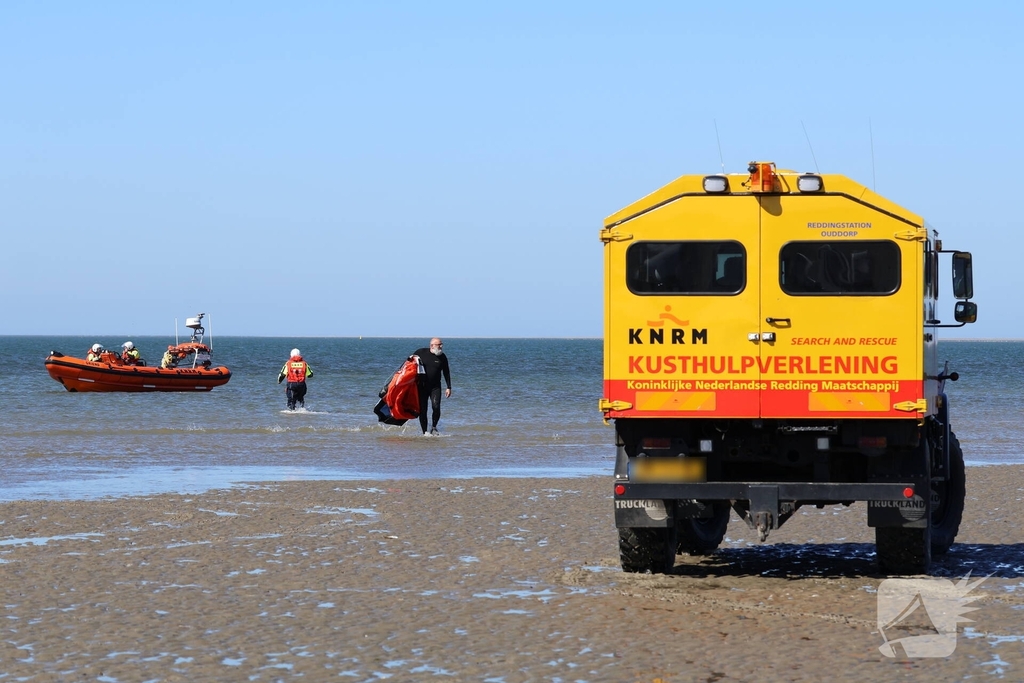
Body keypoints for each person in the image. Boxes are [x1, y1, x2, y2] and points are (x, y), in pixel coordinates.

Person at [411, 337, 451, 435]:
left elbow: (446, 372)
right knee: (423, 410)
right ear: (432, 346)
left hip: (435, 387)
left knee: (436, 406)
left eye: (441, 344)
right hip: (422, 387)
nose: (441, 346)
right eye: (439, 345)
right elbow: (409, 364)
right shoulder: (421, 352)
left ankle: (434, 427)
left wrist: (449, 387)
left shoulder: (442, 357)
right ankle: (425, 432)